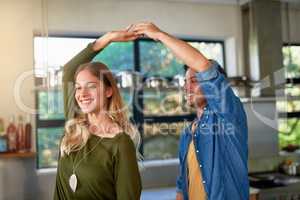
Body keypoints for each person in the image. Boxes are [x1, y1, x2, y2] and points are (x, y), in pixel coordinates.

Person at [130, 22, 249, 200]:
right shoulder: (188, 132)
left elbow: (203, 67)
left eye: (194, 80)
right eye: (185, 82)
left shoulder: (228, 113)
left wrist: (159, 35)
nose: (187, 87)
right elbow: (182, 183)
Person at [54, 29, 142, 200]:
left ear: (109, 91)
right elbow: (69, 69)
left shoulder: (120, 143)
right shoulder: (74, 123)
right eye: (78, 87)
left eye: (91, 86)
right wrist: (108, 38)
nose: (82, 94)